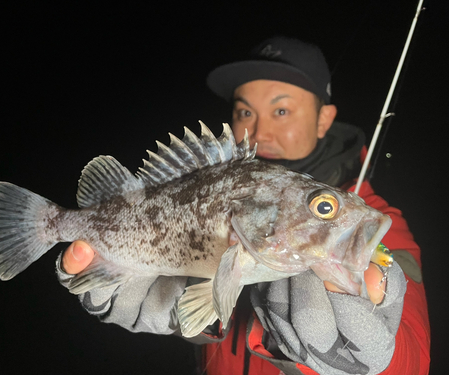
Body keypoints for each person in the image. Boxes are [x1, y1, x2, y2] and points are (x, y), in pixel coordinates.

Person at [57, 37, 430, 374]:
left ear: (324, 119)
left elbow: (413, 356)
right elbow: (199, 308)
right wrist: (201, 317)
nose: (259, 131)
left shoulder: (381, 219)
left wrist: (380, 360)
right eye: (244, 112)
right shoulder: (231, 183)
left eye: (281, 111)